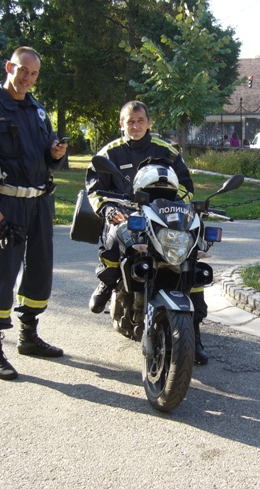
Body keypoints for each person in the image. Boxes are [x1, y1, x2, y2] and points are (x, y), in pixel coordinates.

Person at [0, 46, 68, 380]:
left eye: (34, 74)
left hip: (39, 203)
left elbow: (47, 156)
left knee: (39, 271)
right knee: (0, 272)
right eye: (23, 70)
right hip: (5, 205)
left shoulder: (37, 110)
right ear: (10, 67)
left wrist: (55, 154)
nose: (28, 78)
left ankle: (29, 337)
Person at [85, 100, 209, 364]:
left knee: (193, 256)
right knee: (114, 238)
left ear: (149, 122)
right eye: (130, 121)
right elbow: (95, 190)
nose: (135, 125)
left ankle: (194, 333)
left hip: (162, 216)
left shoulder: (167, 151)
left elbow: (186, 187)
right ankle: (107, 282)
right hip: (125, 214)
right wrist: (108, 208)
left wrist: (177, 206)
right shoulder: (110, 153)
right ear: (122, 124)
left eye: (140, 120)